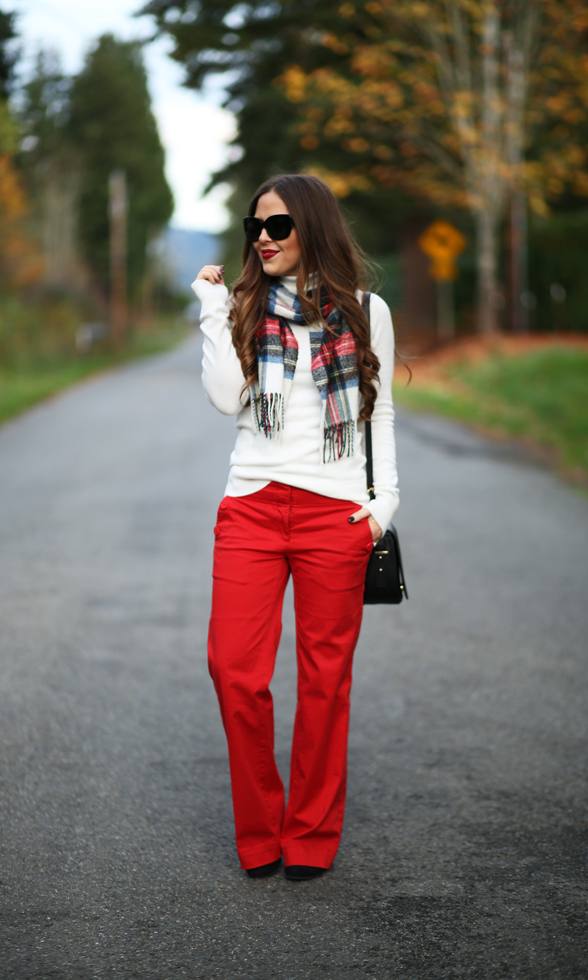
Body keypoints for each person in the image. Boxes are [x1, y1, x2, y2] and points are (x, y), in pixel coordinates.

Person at [192, 173, 399, 882]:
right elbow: (225, 400)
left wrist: (383, 504)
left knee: (325, 679)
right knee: (233, 670)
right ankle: (261, 830)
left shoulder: (367, 311)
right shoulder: (242, 306)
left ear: (312, 228)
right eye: (257, 228)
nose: (265, 240)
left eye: (278, 226)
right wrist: (213, 308)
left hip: (333, 512)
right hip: (250, 505)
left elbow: (382, 413)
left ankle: (310, 833)